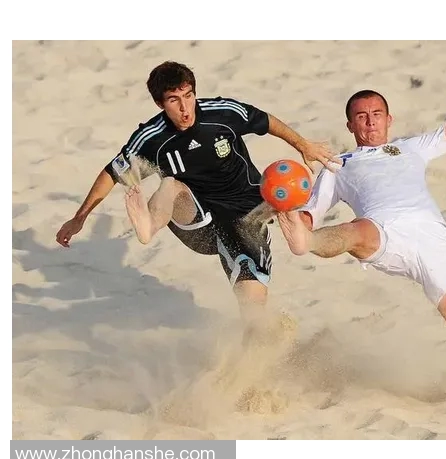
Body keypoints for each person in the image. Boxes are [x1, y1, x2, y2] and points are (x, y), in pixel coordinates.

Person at [277, 51, 446, 399]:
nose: (370, 122)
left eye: (376, 115)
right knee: (355, 231)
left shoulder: (412, 148)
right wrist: (297, 219)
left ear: (389, 119)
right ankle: (306, 244)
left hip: (434, 242)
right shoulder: (339, 165)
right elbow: (312, 212)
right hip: (383, 232)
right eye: (361, 117)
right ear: (350, 126)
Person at [55, 60, 340, 323]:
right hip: (198, 222)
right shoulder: (152, 138)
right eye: (174, 100)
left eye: (188, 95)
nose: (184, 108)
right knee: (170, 185)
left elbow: (265, 121)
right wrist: (80, 217)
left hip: (246, 218)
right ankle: (148, 225)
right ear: (159, 103)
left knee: (253, 309)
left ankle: (256, 352)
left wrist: (303, 145)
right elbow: (112, 173)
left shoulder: (222, 113)